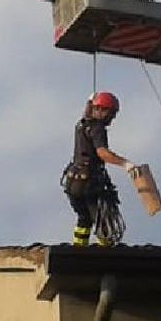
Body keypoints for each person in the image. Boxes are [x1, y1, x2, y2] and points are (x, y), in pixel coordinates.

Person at [60, 91, 143, 246]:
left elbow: (87, 113)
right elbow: (102, 153)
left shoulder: (82, 124)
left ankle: (79, 249)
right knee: (102, 221)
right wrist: (126, 164)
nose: (112, 118)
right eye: (111, 113)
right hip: (89, 185)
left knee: (84, 218)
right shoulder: (97, 128)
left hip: (73, 184)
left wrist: (90, 100)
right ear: (101, 110)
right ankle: (104, 253)